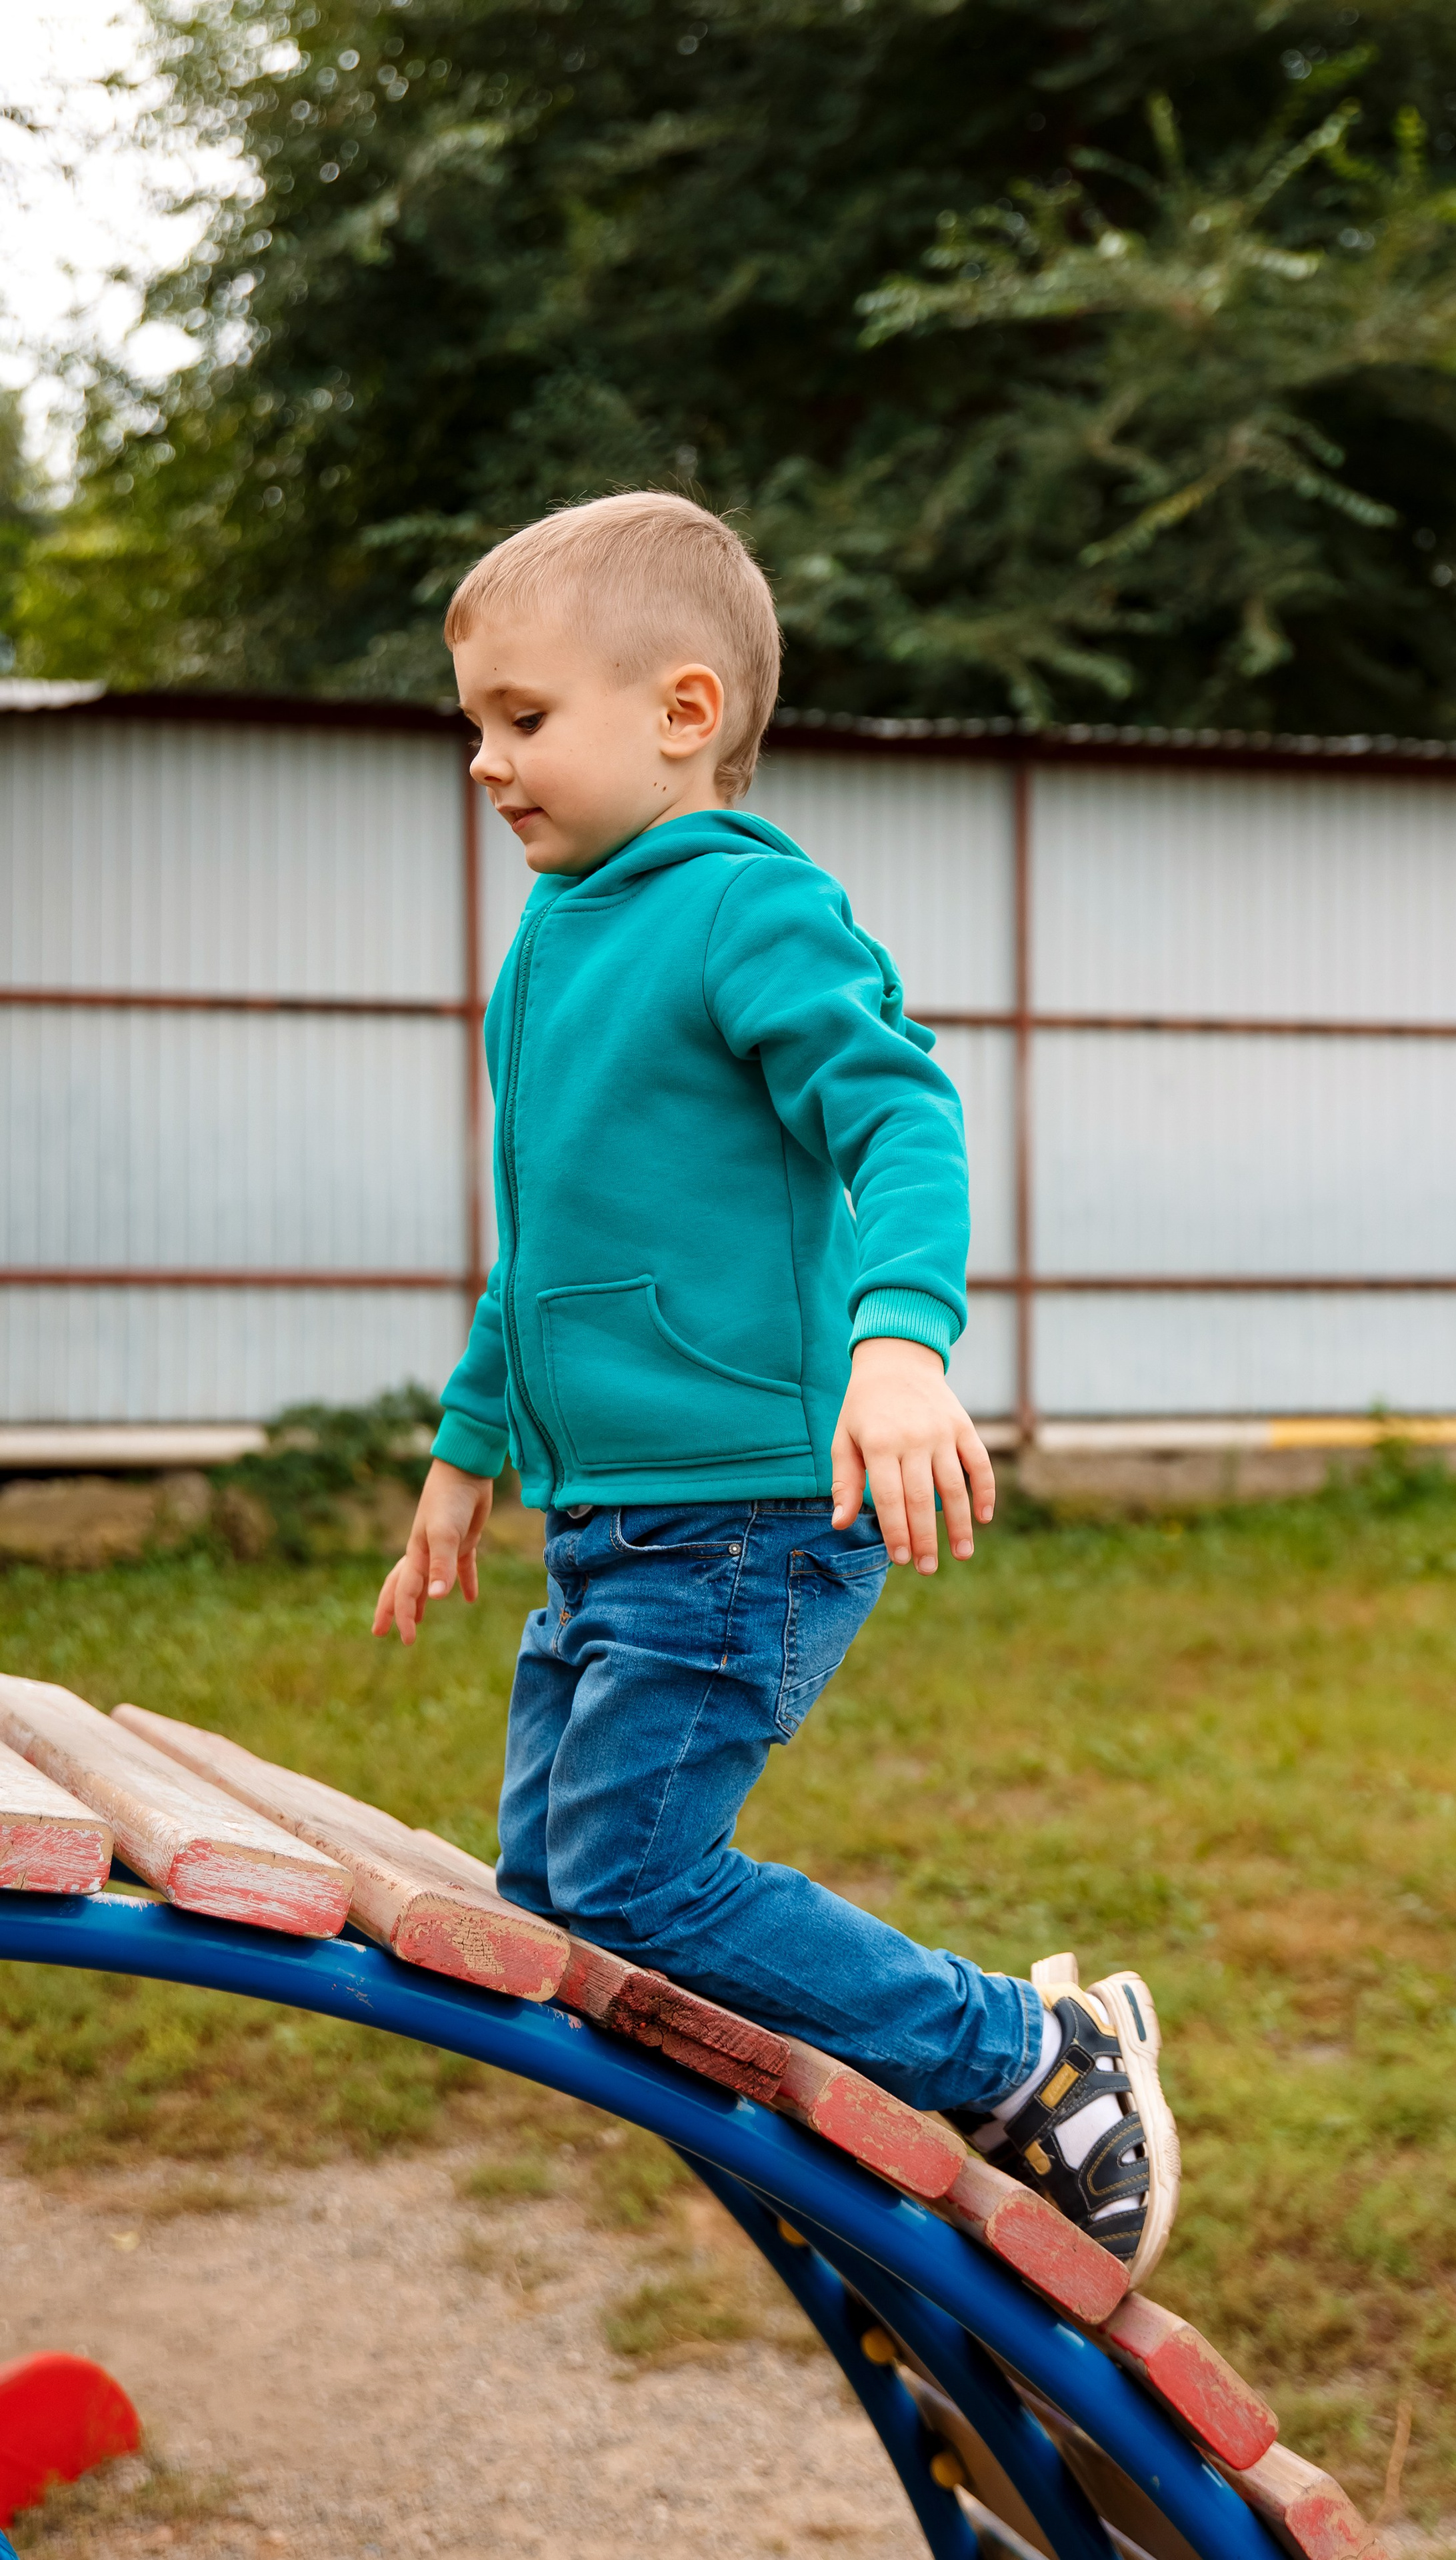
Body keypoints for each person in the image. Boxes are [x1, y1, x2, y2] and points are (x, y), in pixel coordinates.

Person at [373, 491, 1179, 2285]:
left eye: (523, 720)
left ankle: (1030, 2059)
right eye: (474, 727)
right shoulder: (552, 946)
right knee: (556, 1896)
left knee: (640, 1884)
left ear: (681, 711)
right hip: (614, 1519)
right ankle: (857, 2128)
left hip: (746, 1508)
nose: (487, 765)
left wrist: (900, 1342)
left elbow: (901, 1114)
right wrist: (468, 1452)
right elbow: (549, 1236)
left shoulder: (748, 909)